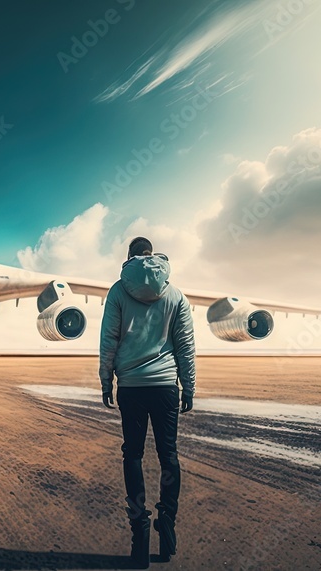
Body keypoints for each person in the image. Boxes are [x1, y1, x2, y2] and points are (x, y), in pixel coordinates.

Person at [99, 237, 195, 568]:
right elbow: (185, 346)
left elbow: (109, 340)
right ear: (152, 256)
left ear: (129, 257)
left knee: (133, 455)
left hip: (132, 388)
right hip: (166, 387)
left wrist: (105, 380)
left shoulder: (117, 291)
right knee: (169, 455)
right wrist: (189, 386)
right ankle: (167, 521)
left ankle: (139, 530)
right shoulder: (176, 294)